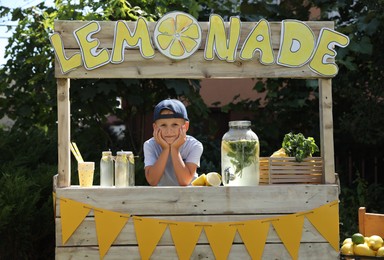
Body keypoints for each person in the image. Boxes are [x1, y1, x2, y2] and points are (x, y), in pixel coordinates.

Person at [143, 99, 203, 186]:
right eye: (163, 125)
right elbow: (152, 181)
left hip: (190, 196)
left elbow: (185, 181)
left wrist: (174, 149)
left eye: (175, 125)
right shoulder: (150, 145)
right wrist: (166, 149)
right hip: (162, 197)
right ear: (155, 128)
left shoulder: (194, 145)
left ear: (185, 126)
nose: (169, 131)